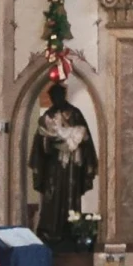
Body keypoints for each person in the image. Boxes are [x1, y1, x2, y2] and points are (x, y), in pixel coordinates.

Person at [30, 81, 98, 244]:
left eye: (58, 95)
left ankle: (72, 231)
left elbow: (85, 138)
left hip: (72, 167)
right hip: (54, 165)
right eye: (53, 97)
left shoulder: (75, 114)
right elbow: (40, 144)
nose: (56, 99)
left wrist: (75, 141)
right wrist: (50, 143)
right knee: (52, 196)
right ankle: (50, 230)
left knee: (70, 196)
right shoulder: (48, 117)